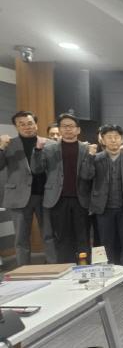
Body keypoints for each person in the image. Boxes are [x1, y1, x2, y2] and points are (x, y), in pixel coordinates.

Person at [82, 124, 123, 286]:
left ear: (121, 139)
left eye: (116, 137)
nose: (113, 140)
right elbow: (86, 177)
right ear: (102, 140)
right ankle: (108, 272)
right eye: (109, 137)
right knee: (106, 242)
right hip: (103, 208)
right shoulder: (96, 158)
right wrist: (89, 157)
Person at [31, 113, 94, 263]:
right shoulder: (49, 148)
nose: (67, 129)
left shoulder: (86, 148)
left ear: (78, 130)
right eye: (64, 126)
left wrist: (91, 156)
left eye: (71, 126)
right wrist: (37, 151)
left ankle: (83, 268)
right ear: (60, 129)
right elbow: (37, 169)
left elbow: (88, 175)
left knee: (82, 236)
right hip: (57, 199)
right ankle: (66, 269)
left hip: (81, 199)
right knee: (62, 237)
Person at [0, 111, 56, 265]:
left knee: (49, 235)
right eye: (21, 124)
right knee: (21, 237)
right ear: (16, 127)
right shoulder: (8, 144)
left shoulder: (50, 144)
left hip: (45, 196)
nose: (27, 127)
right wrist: (0, 148)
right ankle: (22, 269)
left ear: (36, 125)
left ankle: (54, 266)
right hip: (18, 197)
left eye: (30, 123)